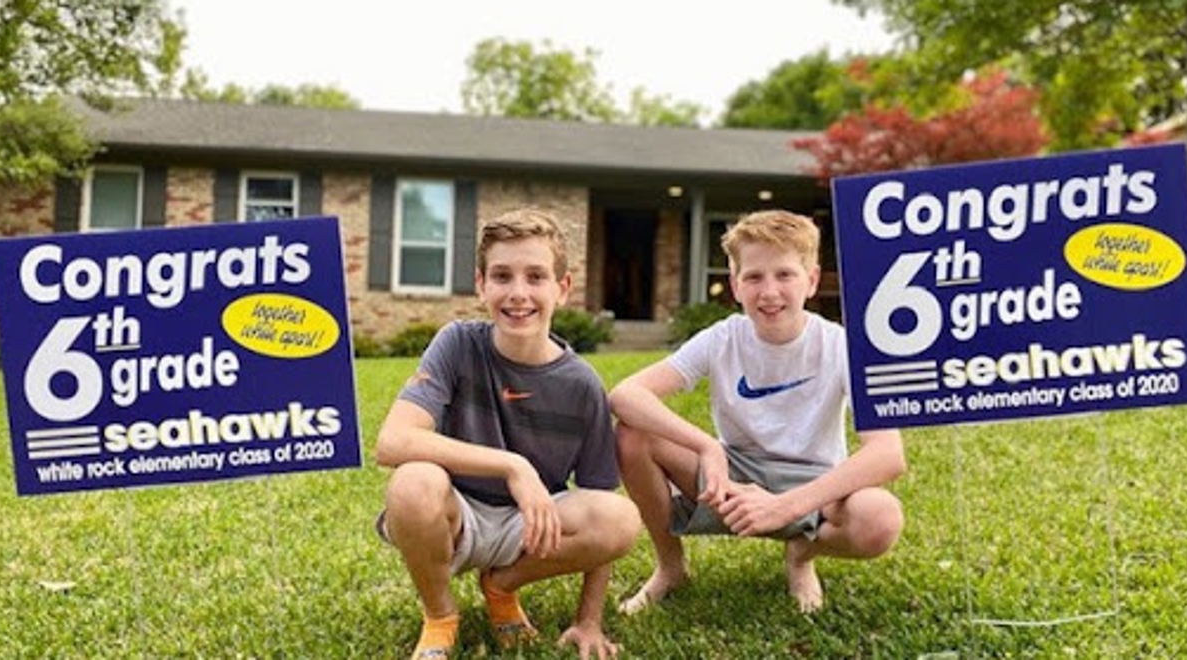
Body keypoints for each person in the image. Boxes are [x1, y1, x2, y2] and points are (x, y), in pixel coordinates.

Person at [374, 208, 641, 659]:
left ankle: (501, 587)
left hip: (530, 528)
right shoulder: (458, 343)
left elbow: (600, 500)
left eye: (536, 276)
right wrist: (512, 465)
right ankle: (440, 617)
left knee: (621, 518)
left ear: (563, 288)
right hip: (458, 514)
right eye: (502, 276)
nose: (518, 293)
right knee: (412, 482)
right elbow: (392, 443)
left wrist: (589, 620)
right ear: (481, 285)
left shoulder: (583, 386)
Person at [610, 209, 905, 616]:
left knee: (880, 518)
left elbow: (888, 454)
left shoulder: (842, 345)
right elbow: (626, 395)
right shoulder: (722, 338)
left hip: (813, 481)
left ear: (812, 280)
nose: (769, 292)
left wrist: (786, 507)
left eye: (785, 275)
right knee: (632, 435)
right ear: (734, 285)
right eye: (753, 277)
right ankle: (671, 568)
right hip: (733, 474)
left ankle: (801, 553)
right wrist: (706, 448)